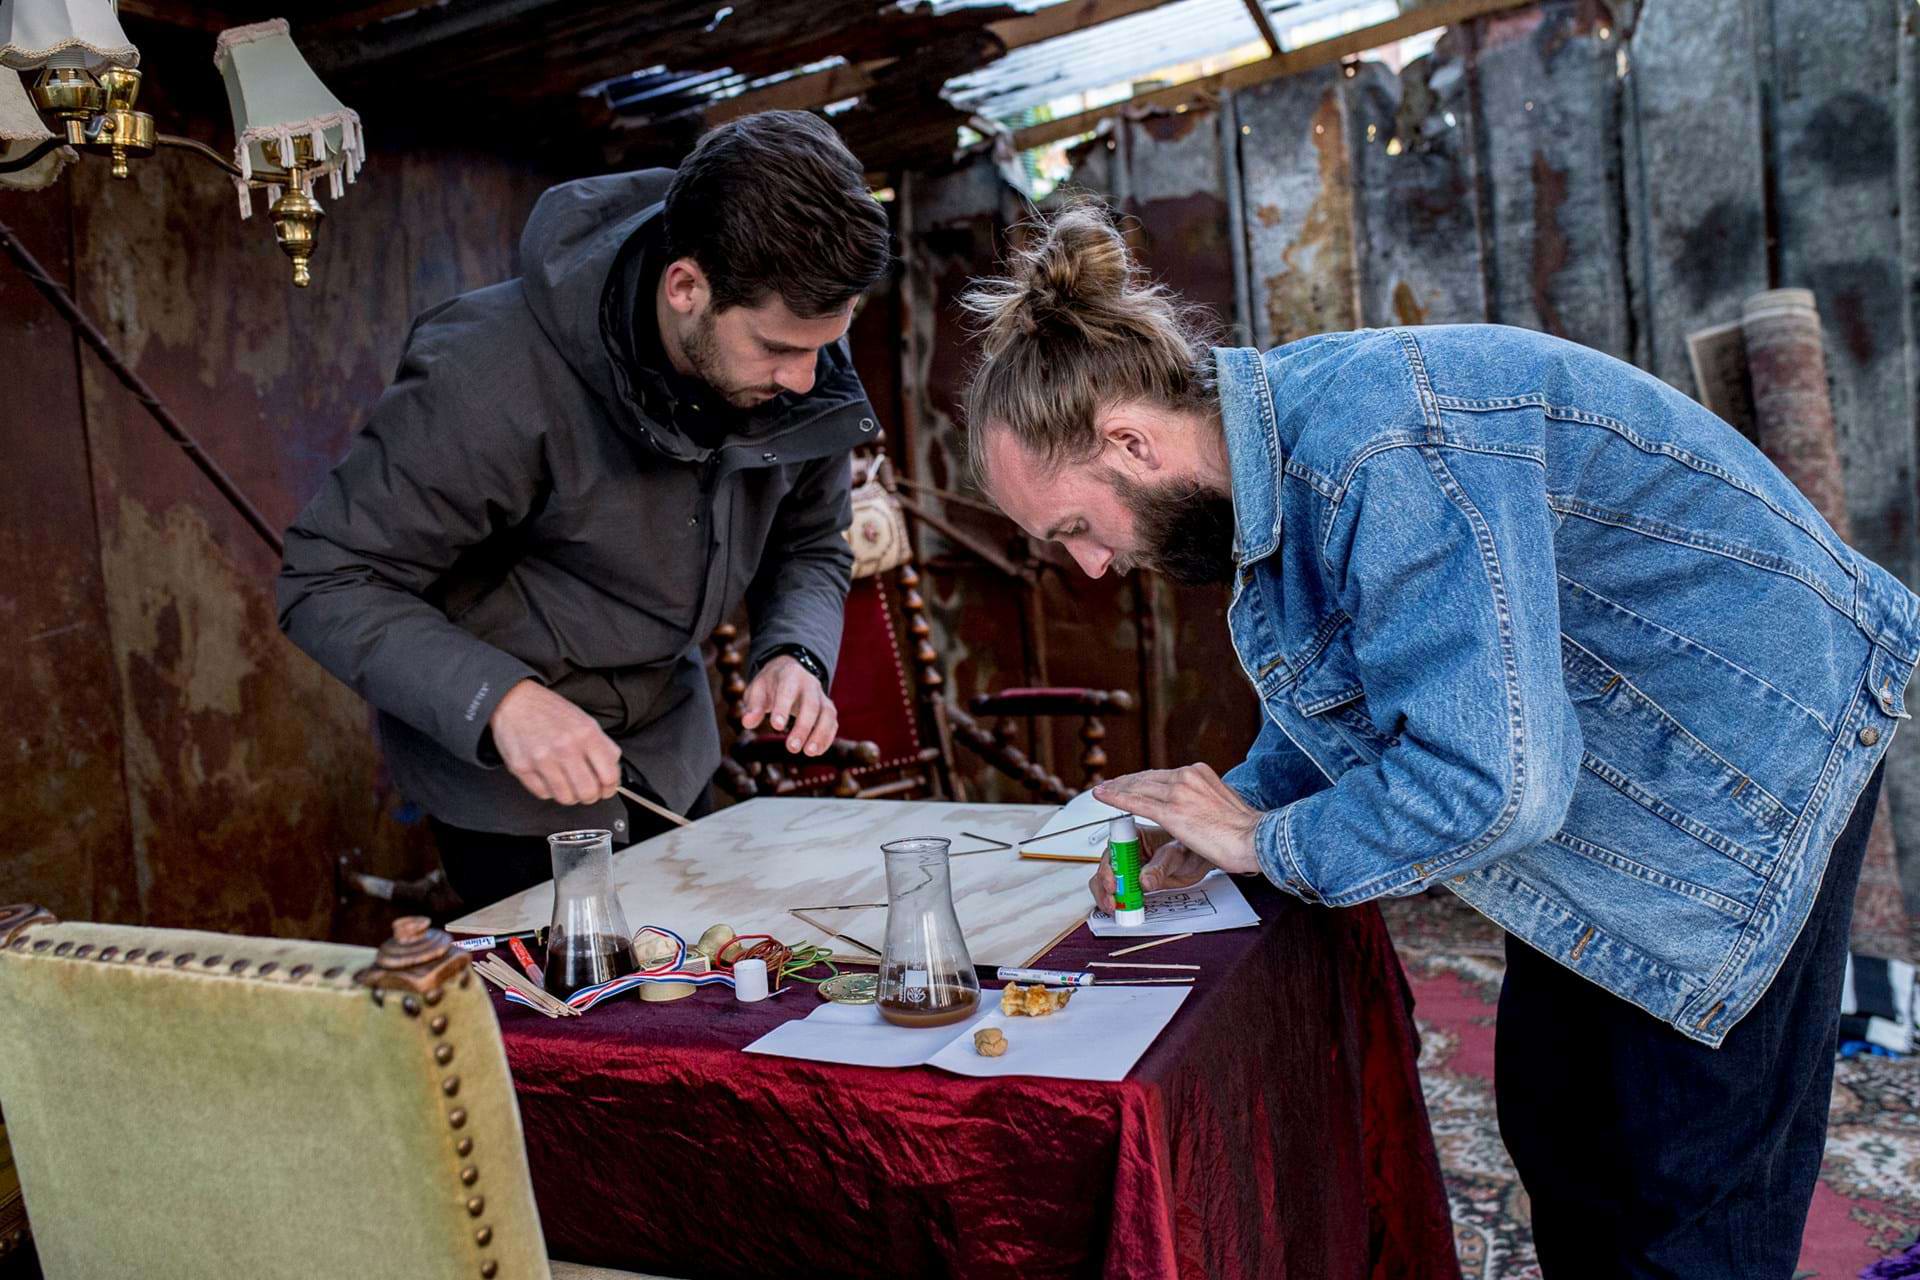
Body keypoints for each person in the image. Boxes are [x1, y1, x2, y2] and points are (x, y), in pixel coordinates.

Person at [961, 201, 1920, 1278]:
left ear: (1130, 442)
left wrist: (1265, 842)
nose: (1090, 566)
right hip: (1606, 749)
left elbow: (1490, 782)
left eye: (1075, 529)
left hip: (1748, 751)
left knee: (1685, 1195)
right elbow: (1368, 696)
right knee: (1561, 1129)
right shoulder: (1282, 459)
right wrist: (1230, 813)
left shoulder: (1380, 445)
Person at [278, 111, 891, 908]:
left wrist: (794, 651)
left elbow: (810, 543)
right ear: (686, 287)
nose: (806, 379)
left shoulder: (802, 346)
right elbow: (326, 578)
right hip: (513, 795)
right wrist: (500, 700)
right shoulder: (485, 374)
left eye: (824, 345)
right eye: (777, 349)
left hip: (673, 758)